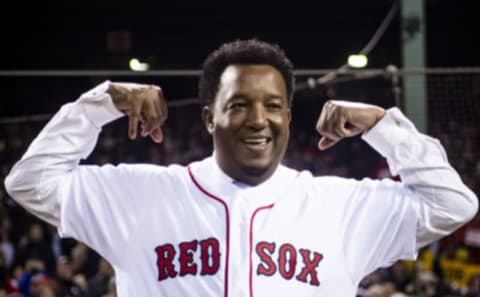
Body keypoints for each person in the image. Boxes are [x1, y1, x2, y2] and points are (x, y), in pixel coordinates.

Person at [4, 39, 478, 296]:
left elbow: (452, 204)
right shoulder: (142, 193)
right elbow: (30, 182)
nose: (258, 120)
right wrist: (100, 103)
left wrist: (383, 127)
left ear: (289, 118)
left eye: (273, 106)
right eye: (239, 105)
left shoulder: (341, 204)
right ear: (210, 116)